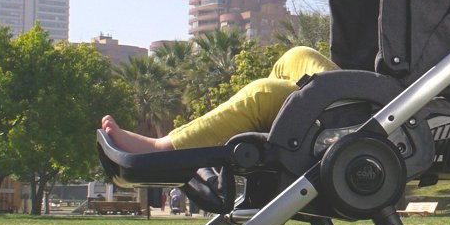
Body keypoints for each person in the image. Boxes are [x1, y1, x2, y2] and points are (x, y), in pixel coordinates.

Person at [101, 45, 336, 153]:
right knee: (297, 55)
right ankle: (277, 131)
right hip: (350, 104)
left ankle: (162, 148)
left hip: (347, 121)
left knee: (262, 95)